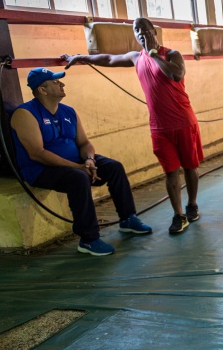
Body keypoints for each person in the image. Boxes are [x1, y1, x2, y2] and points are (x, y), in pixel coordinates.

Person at [62, 17, 202, 235]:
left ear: (153, 31)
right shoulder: (136, 57)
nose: (141, 33)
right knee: (171, 171)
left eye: (144, 29)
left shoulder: (171, 54)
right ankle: (178, 215)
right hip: (159, 127)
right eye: (137, 30)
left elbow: (175, 74)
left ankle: (192, 204)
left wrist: (154, 54)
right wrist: (80, 57)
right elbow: (108, 58)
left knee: (190, 167)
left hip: (183, 122)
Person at [10, 68, 152, 256]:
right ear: (43, 90)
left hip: (76, 163)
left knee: (113, 167)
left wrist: (90, 161)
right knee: (78, 178)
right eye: (55, 82)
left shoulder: (68, 111)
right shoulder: (25, 114)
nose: (62, 84)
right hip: (41, 170)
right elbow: (37, 153)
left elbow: (84, 143)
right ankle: (89, 239)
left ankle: (128, 218)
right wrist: (78, 167)